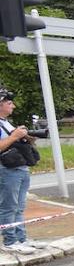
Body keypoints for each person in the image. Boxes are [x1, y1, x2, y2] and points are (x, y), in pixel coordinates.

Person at [0, 89, 47, 254]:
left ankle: (21, 239)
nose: (13, 106)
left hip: (20, 167)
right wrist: (14, 137)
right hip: (7, 169)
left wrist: (24, 136)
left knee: (19, 206)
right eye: (9, 103)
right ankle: (10, 241)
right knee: (8, 206)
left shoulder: (5, 122)